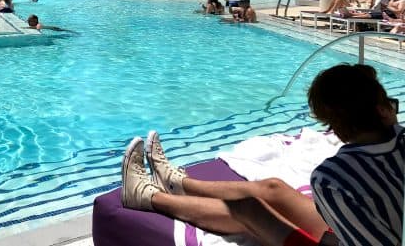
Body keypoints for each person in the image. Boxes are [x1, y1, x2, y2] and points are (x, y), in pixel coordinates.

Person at [121, 63, 403, 246]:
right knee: (273, 188)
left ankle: (147, 197)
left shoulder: (333, 177)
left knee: (249, 210)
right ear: (382, 109)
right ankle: (177, 183)